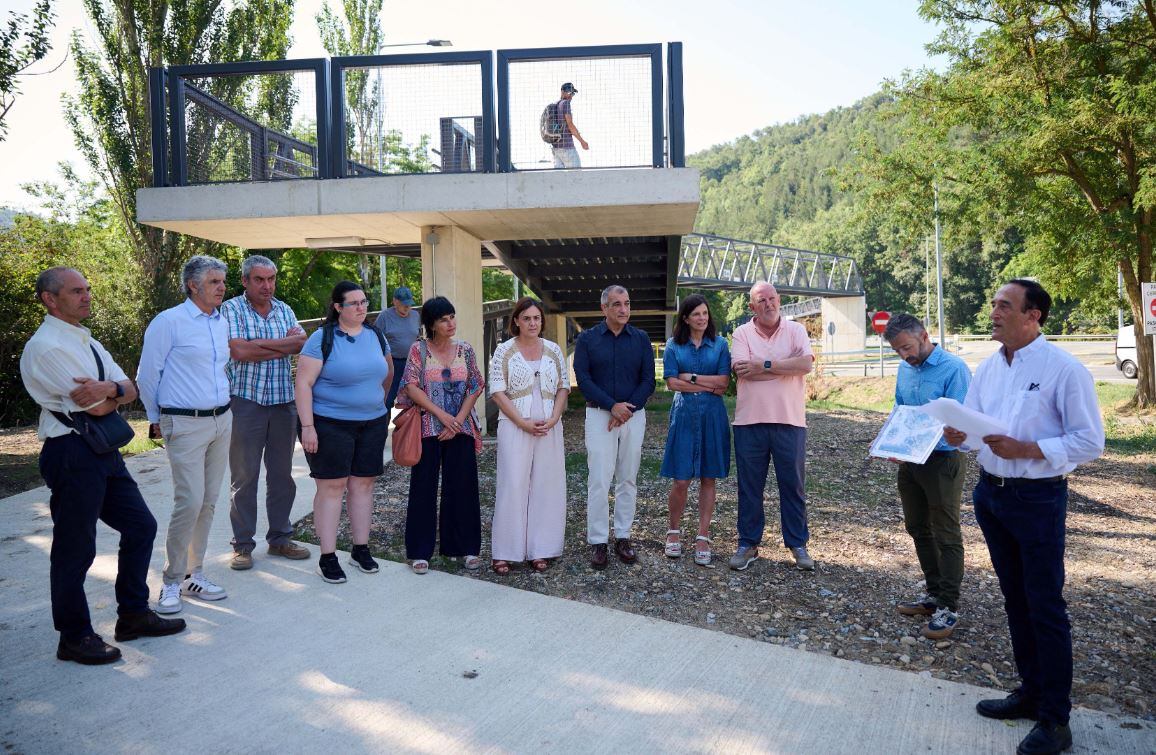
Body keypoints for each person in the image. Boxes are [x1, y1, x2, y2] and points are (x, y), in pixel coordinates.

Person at [943, 280, 1103, 755]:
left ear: (1033, 316)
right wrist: (959, 435)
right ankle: (1030, 693)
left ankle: (1056, 720)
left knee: (1045, 606)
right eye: (993, 304)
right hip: (991, 496)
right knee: (1015, 599)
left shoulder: (1064, 370)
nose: (993, 312)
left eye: (1004, 306)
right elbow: (977, 430)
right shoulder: (989, 368)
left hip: (1037, 500)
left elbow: (1090, 441)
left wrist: (1028, 449)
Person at [20, 267, 185, 664]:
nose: (86, 296)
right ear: (50, 299)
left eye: (87, 289)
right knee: (76, 548)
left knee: (140, 525)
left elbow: (130, 388)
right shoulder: (45, 347)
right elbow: (94, 406)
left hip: (103, 451)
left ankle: (132, 615)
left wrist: (111, 389)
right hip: (71, 453)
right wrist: (112, 394)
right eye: (76, 291)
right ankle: (73, 637)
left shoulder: (83, 339)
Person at [137, 255, 233, 614]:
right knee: (189, 501)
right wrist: (155, 417)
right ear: (193, 285)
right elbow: (147, 375)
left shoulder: (220, 322)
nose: (222, 287)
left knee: (208, 502)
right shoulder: (169, 322)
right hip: (184, 422)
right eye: (214, 282)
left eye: (222, 281)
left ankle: (196, 574)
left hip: (222, 420)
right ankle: (171, 581)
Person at [295, 281, 393, 584]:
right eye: (354, 303)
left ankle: (360, 549)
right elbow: (303, 384)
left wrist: (378, 405)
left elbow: (387, 375)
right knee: (332, 487)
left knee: (363, 485)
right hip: (329, 423)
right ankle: (327, 556)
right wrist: (308, 426)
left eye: (364, 302)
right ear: (338, 308)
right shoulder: (320, 338)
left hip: (372, 422)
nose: (362, 308)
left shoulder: (376, 335)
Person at [882, 313, 971, 640]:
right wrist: (889, 439)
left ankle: (949, 605)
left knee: (946, 531)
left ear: (924, 335)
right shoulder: (905, 369)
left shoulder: (954, 369)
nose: (905, 355)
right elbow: (900, 410)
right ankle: (933, 594)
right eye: (897, 351)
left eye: (907, 347)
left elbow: (960, 421)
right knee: (917, 526)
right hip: (910, 461)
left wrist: (924, 438)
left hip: (942, 461)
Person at [220, 255, 309, 571]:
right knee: (245, 477)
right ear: (245, 281)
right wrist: (281, 344)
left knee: (283, 476)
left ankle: (280, 539)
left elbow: (300, 343)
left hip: (284, 404)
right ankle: (242, 545)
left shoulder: (284, 308)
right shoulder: (231, 309)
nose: (267, 286)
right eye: (259, 279)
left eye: (271, 279)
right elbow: (239, 351)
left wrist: (260, 344)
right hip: (246, 403)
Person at [728, 281, 816, 572]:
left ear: (780, 300)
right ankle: (748, 543)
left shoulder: (796, 330)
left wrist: (763, 365)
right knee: (749, 487)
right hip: (749, 422)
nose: (768, 304)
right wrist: (783, 366)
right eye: (761, 300)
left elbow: (804, 365)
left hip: (789, 420)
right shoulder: (741, 333)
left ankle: (797, 544)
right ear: (752, 306)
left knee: (793, 486)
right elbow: (742, 370)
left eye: (772, 298)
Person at [397, 296, 484, 575]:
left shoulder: (466, 350)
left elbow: (475, 385)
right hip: (427, 428)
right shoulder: (418, 350)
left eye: (452, 317)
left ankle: (465, 548)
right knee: (423, 488)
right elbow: (411, 386)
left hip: (461, 428)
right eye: (444, 319)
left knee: (463, 487)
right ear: (431, 324)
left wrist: (457, 420)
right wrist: (442, 416)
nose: (451, 323)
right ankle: (420, 552)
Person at [573, 284, 655, 569]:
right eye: (616, 304)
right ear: (604, 308)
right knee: (598, 479)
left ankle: (623, 536)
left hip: (633, 416)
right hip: (599, 416)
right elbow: (583, 380)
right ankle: (598, 541)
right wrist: (612, 406)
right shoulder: (587, 339)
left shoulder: (641, 339)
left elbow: (648, 379)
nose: (623, 309)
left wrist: (627, 408)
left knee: (627, 478)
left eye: (627, 303)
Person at [489, 298, 570, 575]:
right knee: (513, 483)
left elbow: (563, 386)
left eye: (537, 318)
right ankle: (505, 551)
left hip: (548, 423)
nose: (533, 323)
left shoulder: (554, 350)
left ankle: (541, 549)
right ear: (516, 322)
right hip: (515, 423)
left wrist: (555, 417)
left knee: (546, 485)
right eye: (527, 318)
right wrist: (522, 423)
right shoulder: (504, 351)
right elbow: (498, 391)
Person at [660, 295, 731, 566]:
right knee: (681, 479)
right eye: (696, 314)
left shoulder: (721, 344)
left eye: (705, 313)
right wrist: (706, 385)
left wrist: (690, 377)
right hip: (684, 416)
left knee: (708, 477)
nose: (702, 318)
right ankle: (673, 530)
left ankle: (703, 535)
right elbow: (672, 383)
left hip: (713, 417)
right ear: (686, 318)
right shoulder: (673, 346)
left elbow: (724, 383)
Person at [374, 285, 420, 412]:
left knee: (414, 400)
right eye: (404, 304)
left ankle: (409, 430)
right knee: (387, 399)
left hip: (411, 363)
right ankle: (382, 427)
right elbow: (375, 340)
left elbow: (417, 336)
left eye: (409, 304)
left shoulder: (415, 316)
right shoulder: (385, 317)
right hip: (392, 363)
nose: (407, 307)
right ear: (395, 301)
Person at [552, 82, 589, 169]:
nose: (571, 96)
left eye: (572, 93)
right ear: (562, 92)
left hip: (556, 148)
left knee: (559, 179)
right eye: (569, 93)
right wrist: (582, 141)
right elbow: (570, 125)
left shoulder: (556, 104)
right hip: (567, 147)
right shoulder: (566, 104)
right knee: (576, 176)